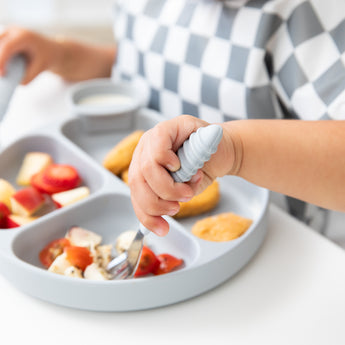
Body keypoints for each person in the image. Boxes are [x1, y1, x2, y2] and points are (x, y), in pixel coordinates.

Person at [0, 0, 344, 233]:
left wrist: (236, 150)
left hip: (283, 237)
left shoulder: (306, 16)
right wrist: (64, 56)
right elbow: (146, 63)